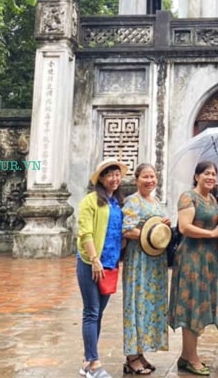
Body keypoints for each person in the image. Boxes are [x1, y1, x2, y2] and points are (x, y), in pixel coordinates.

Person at [169, 161, 218, 376]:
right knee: (191, 304)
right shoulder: (188, 196)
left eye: (214, 173)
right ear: (196, 176)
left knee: (201, 304)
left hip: (210, 258)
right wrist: (212, 234)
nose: (211, 177)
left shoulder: (213, 198)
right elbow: (184, 227)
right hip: (191, 258)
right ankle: (193, 358)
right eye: (206, 173)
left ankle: (185, 356)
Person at [76, 159, 127, 378]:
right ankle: (94, 363)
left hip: (110, 263)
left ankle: (87, 361)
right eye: (110, 175)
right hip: (91, 263)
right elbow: (85, 233)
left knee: (99, 313)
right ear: (101, 179)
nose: (114, 178)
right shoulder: (90, 201)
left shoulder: (117, 202)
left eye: (117, 174)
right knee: (91, 311)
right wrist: (94, 258)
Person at [121, 163, 169, 374]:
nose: (150, 180)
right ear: (137, 179)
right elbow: (127, 230)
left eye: (153, 176)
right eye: (145, 177)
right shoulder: (132, 201)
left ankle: (141, 352)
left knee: (150, 305)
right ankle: (131, 356)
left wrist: (163, 225)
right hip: (139, 260)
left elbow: (159, 225)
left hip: (156, 261)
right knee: (136, 303)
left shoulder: (156, 201)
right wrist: (147, 234)